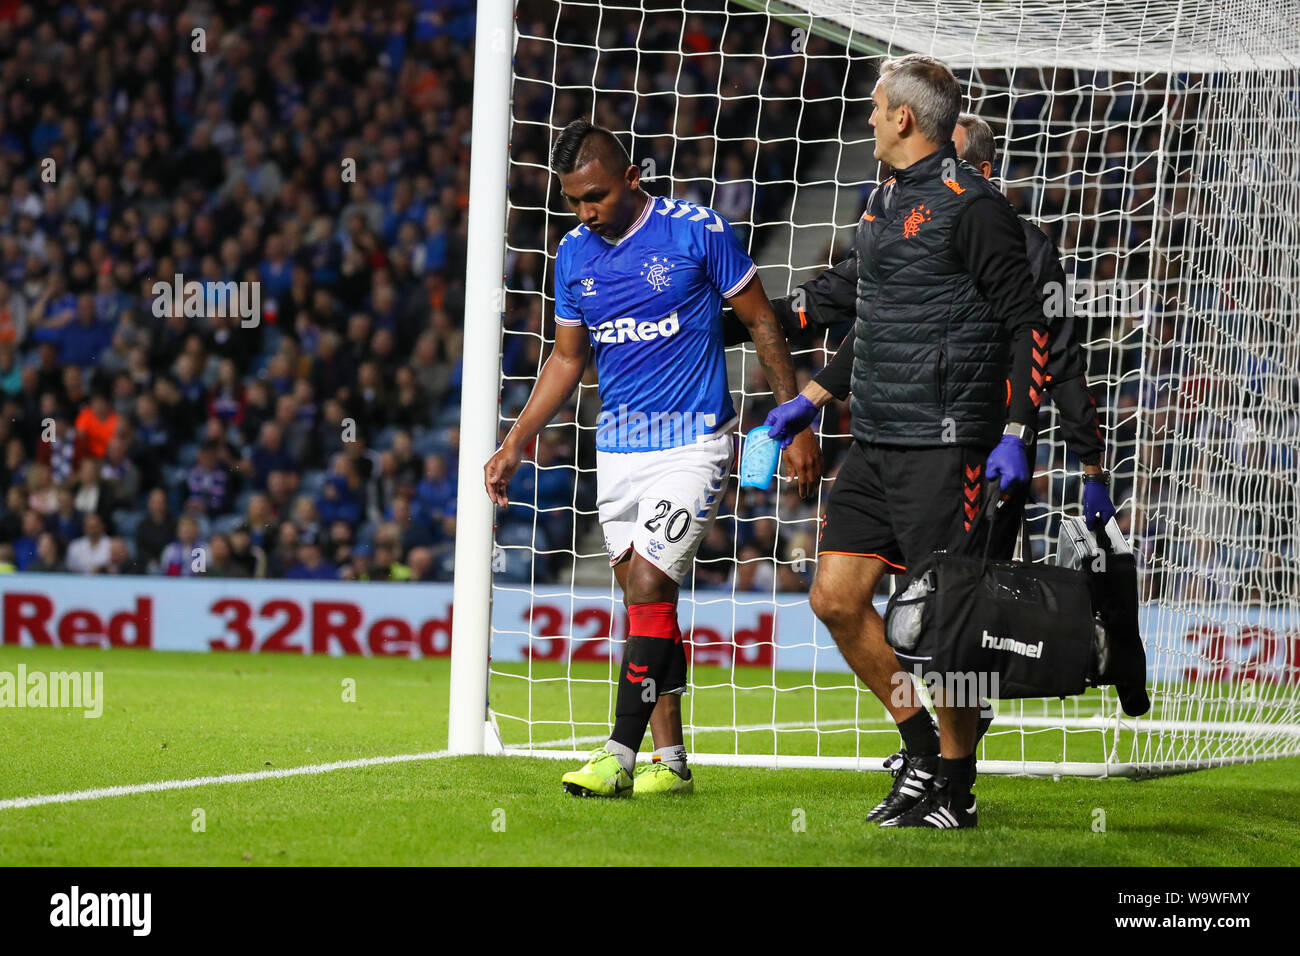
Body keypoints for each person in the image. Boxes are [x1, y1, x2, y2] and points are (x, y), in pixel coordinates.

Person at [762, 56, 1070, 829]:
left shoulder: (974, 207)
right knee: (834, 599)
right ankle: (922, 746)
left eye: (874, 109)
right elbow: (866, 313)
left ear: (904, 118)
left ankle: (956, 789)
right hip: (873, 439)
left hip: (947, 445)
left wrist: (1015, 432)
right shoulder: (881, 201)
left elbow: (1027, 320)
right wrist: (801, 381)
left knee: (947, 627)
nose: (866, 119)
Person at [484, 119, 821, 797]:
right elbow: (568, 359)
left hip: (694, 442)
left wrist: (795, 420)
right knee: (648, 600)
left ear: (632, 177)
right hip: (618, 451)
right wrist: (515, 440)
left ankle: (618, 754)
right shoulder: (575, 253)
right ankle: (671, 762)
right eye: (575, 201)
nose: (586, 212)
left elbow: (759, 319)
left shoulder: (698, 231)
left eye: (597, 196)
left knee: (645, 585)